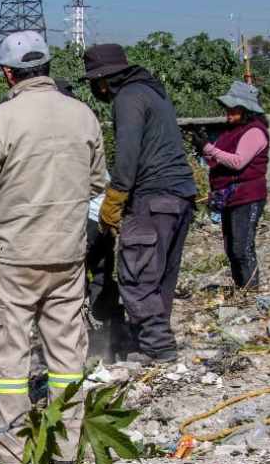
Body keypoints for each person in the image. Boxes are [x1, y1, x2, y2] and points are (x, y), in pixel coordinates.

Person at [0, 30, 108, 464]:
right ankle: (66, 445)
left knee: (10, 352)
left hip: (14, 255)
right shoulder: (83, 116)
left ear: (9, 73)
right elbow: (98, 182)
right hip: (68, 251)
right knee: (66, 350)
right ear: (46, 67)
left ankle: (11, 448)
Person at [83, 43, 197, 365]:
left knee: (137, 275)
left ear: (104, 80)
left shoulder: (127, 98)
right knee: (159, 274)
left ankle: (157, 345)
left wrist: (114, 198)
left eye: (95, 82)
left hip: (152, 197)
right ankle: (149, 342)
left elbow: (128, 154)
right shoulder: (152, 91)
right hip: (179, 197)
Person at [202, 81, 270, 290]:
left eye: (233, 110)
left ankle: (250, 290)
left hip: (247, 195)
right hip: (230, 196)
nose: (228, 113)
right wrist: (206, 149)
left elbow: (238, 161)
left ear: (246, 110)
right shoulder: (232, 131)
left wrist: (208, 149)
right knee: (231, 247)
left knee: (242, 247)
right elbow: (216, 158)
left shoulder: (255, 132)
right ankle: (241, 287)